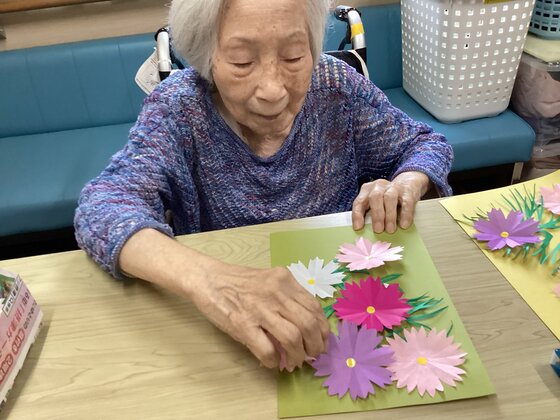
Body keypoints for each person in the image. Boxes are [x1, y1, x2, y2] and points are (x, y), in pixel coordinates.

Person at [74, 0, 453, 372]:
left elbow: (422, 144)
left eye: (293, 56)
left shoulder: (336, 87)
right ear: (208, 57)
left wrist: (405, 181)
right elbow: (103, 205)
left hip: (346, 303)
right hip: (232, 332)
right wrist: (213, 282)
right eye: (242, 62)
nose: (272, 90)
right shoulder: (180, 108)